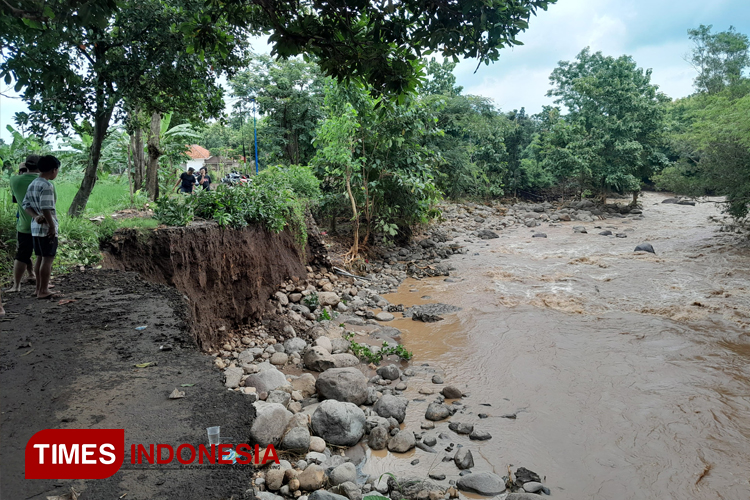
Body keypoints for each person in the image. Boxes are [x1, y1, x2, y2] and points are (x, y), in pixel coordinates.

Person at [22, 155, 60, 299]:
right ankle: (44, 290)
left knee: (39, 258)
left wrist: (35, 217)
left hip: (35, 228)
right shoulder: (47, 185)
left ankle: (38, 289)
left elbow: (26, 205)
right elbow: (46, 207)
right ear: (53, 170)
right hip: (46, 229)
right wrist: (51, 225)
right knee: (48, 259)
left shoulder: (33, 184)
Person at [7, 154, 41, 292]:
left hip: (24, 225)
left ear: (26, 165)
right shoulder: (45, 182)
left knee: (22, 255)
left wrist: (22, 170)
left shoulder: (14, 180)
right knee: (42, 255)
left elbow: (15, 199)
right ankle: (42, 285)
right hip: (41, 224)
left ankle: (16, 285)